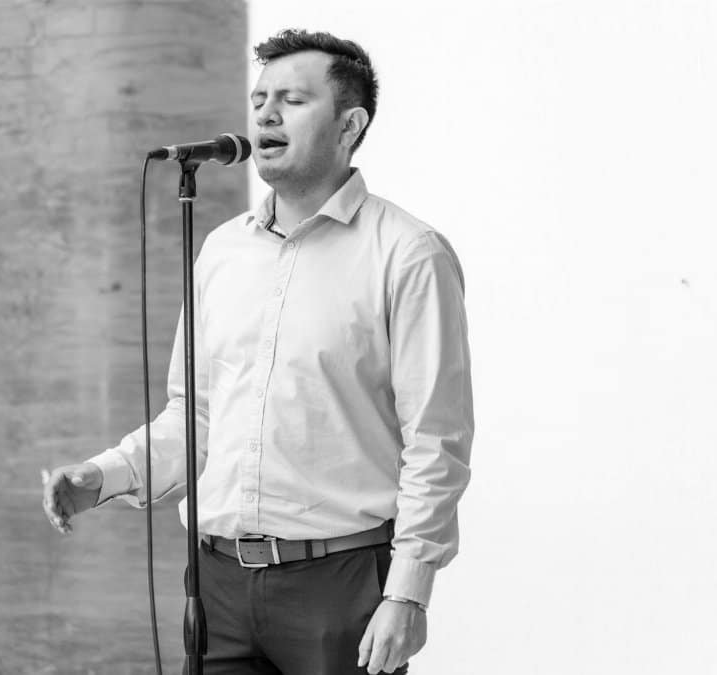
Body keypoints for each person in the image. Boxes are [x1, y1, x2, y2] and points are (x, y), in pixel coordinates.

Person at [42, 28, 473, 675]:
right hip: (217, 584)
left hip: (341, 584)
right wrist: (99, 476)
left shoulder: (409, 254)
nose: (265, 114)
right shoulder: (221, 251)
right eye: (260, 97)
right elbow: (197, 416)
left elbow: (435, 441)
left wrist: (407, 591)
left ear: (349, 124)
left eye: (293, 100)